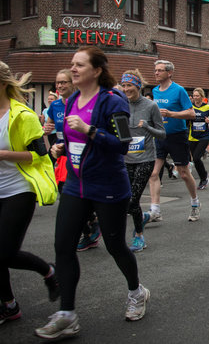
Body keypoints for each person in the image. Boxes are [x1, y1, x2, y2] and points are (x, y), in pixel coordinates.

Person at [36, 47, 150, 339]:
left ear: (97, 70)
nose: (72, 69)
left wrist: (90, 131)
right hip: (76, 184)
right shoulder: (73, 99)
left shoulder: (113, 101)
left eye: (79, 65)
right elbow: (69, 136)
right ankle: (67, 314)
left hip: (109, 185)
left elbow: (124, 143)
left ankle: (137, 292)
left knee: (115, 245)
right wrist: (60, 146)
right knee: (63, 246)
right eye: (72, 64)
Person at [0, 61, 59, 326]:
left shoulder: (22, 115)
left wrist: (3, 155)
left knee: (6, 252)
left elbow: (40, 154)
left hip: (18, 189)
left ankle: (48, 271)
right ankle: (9, 305)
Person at [45, 69, 101, 252]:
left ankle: (91, 224)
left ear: (73, 83)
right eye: (58, 83)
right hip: (63, 153)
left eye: (64, 82)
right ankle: (90, 226)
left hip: (83, 154)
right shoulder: (55, 106)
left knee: (79, 194)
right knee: (65, 192)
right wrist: (47, 129)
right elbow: (52, 127)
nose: (60, 86)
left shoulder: (82, 103)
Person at [146, 60, 200, 223]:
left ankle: (195, 203)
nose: (156, 73)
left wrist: (171, 114)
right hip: (160, 136)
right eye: (155, 70)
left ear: (169, 73)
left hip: (177, 136)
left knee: (184, 173)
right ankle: (155, 210)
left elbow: (191, 114)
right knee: (153, 173)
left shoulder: (179, 90)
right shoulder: (155, 91)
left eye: (160, 70)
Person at [122, 69, 165, 252]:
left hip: (145, 159)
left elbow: (162, 134)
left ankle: (139, 236)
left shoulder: (150, 106)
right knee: (126, 201)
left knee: (132, 200)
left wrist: (147, 127)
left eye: (129, 85)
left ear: (138, 85)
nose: (126, 89)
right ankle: (144, 217)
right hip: (126, 159)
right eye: (123, 86)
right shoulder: (120, 104)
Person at [188, 87, 209, 190]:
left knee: (197, 157)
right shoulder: (190, 107)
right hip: (192, 136)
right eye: (194, 96)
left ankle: (203, 178)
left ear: (202, 97)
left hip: (204, 136)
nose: (195, 97)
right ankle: (204, 175)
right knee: (195, 159)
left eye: (197, 95)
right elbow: (185, 121)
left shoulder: (207, 108)